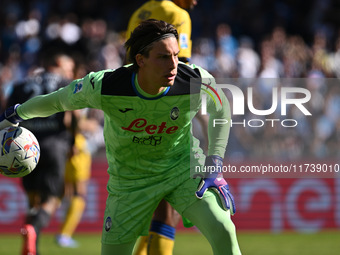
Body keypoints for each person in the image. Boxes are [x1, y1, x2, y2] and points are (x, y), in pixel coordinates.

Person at [0, 19, 241, 255]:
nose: (174, 64)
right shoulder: (106, 86)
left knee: (223, 229)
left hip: (183, 171)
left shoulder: (194, 79)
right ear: (141, 60)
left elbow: (221, 108)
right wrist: (17, 113)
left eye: (176, 55)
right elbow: (59, 100)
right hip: (129, 183)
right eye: (163, 57)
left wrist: (215, 161)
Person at [127, 2, 201, 253]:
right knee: (167, 209)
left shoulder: (140, 12)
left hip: (135, 114)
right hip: (166, 114)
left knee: (155, 204)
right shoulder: (178, 15)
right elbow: (181, 71)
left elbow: (130, 66)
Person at [3, 51, 76, 255]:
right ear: (58, 63)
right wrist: (72, 142)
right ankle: (33, 229)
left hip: (24, 149)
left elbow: (6, 115)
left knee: (33, 203)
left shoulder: (19, 85)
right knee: (52, 198)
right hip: (55, 145)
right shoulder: (64, 82)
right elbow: (71, 116)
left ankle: (30, 247)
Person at [55, 110, 92, 248]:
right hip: (76, 148)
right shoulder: (77, 94)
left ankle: (39, 222)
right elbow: (71, 120)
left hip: (70, 146)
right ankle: (64, 235)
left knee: (65, 192)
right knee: (79, 194)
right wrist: (90, 125)